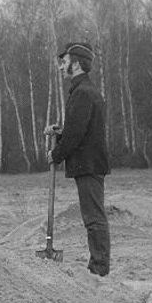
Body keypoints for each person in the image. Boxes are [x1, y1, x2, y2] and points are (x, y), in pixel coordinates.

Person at [46, 41, 111, 277]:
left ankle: (99, 269)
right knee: (93, 218)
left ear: (75, 64)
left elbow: (76, 134)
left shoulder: (83, 93)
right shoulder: (84, 91)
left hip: (89, 164)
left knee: (94, 219)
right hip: (89, 163)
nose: (61, 67)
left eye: (64, 63)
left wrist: (56, 154)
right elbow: (77, 128)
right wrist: (59, 131)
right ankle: (98, 266)